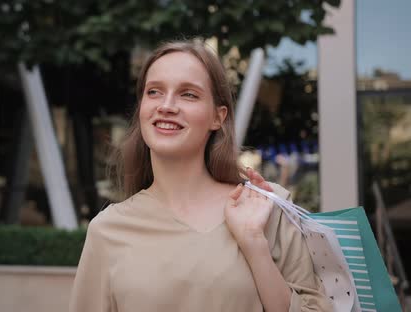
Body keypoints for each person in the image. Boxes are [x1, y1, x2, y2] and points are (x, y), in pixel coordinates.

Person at [69, 39, 331, 312]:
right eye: (154, 91)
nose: (166, 105)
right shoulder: (108, 230)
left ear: (218, 117)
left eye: (188, 94)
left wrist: (254, 244)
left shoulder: (266, 208)